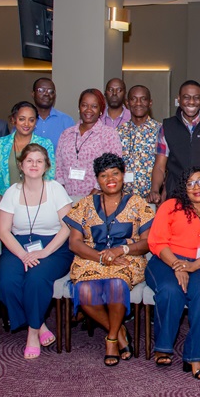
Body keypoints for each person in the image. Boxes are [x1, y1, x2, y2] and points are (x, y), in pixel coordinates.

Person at [64, 153, 154, 366]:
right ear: (97, 179)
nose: (110, 179)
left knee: (116, 285)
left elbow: (148, 243)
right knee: (84, 291)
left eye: (115, 173)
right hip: (90, 259)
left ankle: (111, 339)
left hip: (127, 258)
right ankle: (119, 332)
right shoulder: (85, 204)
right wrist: (102, 257)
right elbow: (75, 243)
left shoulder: (137, 203)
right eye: (104, 175)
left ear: (123, 175)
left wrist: (120, 250)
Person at [147, 168, 200, 380]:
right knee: (170, 290)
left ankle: (195, 355)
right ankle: (163, 347)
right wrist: (177, 265)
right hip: (166, 260)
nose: (197, 187)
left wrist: (192, 267)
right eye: (191, 183)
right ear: (184, 188)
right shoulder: (170, 207)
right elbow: (157, 241)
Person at [0, 143, 73, 359]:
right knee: (8, 283)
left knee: (36, 279)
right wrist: (22, 255)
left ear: (46, 166)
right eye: (29, 160)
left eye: (39, 161)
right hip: (17, 245)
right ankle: (39, 324)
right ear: (20, 165)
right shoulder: (12, 192)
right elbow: (3, 231)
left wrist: (45, 252)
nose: (34, 165)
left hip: (54, 247)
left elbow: (68, 226)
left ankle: (31, 334)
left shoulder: (56, 189)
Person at [148, 80, 200, 204]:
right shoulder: (167, 127)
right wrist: (155, 190)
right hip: (176, 195)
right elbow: (160, 166)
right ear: (179, 99)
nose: (191, 102)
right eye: (186, 97)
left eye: (196, 98)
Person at [56, 88, 123, 199]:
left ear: (101, 110)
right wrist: (62, 193)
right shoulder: (66, 134)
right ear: (79, 107)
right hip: (65, 198)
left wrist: (91, 197)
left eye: (94, 106)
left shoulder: (109, 135)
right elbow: (58, 165)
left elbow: (113, 169)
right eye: (84, 105)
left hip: (97, 198)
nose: (88, 110)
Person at [0, 101, 56, 196]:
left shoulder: (45, 144)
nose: (26, 124)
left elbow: (49, 175)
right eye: (22, 119)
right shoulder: (1, 143)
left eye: (31, 120)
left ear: (36, 122)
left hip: (36, 200)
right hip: (5, 201)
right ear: (14, 120)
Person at [116, 85, 161, 199]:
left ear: (150, 103)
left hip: (151, 200)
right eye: (133, 99)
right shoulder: (118, 132)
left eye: (143, 99)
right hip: (122, 200)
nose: (138, 103)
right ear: (127, 103)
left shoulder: (161, 130)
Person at [30, 77, 75, 150]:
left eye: (51, 91)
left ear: (55, 95)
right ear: (33, 94)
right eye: (41, 90)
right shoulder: (23, 121)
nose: (46, 94)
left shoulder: (67, 121)